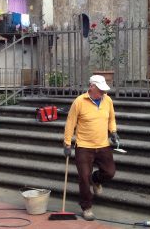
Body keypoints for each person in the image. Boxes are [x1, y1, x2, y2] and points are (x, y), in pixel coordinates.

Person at [63, 75, 120, 221]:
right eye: (100, 90)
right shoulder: (79, 102)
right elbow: (70, 122)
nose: (103, 93)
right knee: (83, 178)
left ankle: (96, 180)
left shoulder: (108, 100)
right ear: (91, 87)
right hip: (84, 146)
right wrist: (67, 143)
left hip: (103, 145)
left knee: (110, 172)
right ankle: (86, 207)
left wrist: (113, 132)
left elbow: (111, 119)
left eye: (104, 90)